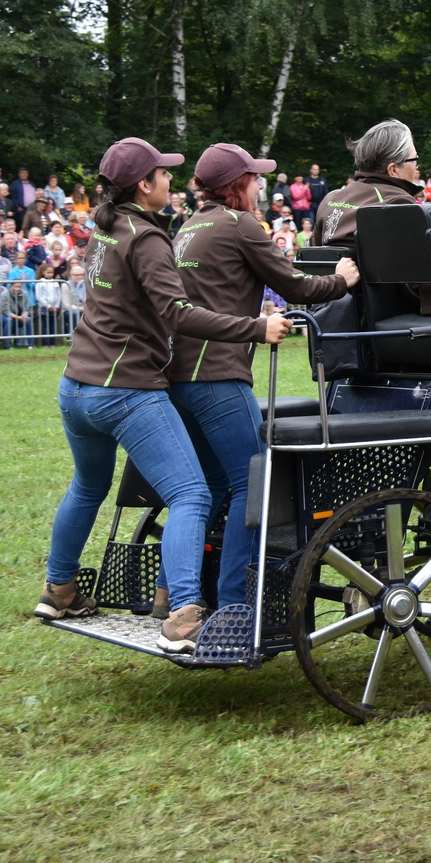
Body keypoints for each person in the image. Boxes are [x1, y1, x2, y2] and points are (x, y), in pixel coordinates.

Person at [39, 137, 291, 656]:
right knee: (192, 494)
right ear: (143, 185)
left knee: (88, 487)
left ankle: (59, 589)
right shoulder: (147, 238)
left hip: (75, 386)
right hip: (126, 390)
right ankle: (181, 616)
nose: (171, 180)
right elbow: (177, 313)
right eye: (163, 173)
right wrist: (254, 326)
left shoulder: (104, 230)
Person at [165, 142, 358, 612]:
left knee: (206, 487)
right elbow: (293, 284)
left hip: (177, 376)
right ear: (237, 185)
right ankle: (234, 602)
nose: (260, 185)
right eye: (254, 178)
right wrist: (342, 280)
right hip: (218, 375)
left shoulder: (187, 227)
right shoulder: (240, 224)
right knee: (253, 482)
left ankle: (175, 596)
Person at [313, 119, 425, 247]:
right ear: (393, 170)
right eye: (415, 159)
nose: (417, 166)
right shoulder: (399, 202)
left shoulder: (331, 198)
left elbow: (311, 255)